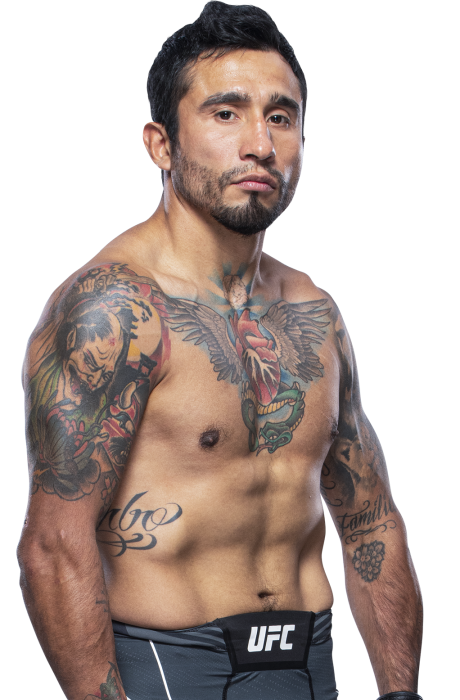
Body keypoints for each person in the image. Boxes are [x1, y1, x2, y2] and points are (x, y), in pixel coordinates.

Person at [18, 1, 424, 699]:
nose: (259, 144)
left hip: (310, 667)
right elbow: (54, 544)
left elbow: (370, 520)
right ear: (161, 144)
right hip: (169, 669)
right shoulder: (114, 309)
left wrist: (400, 692)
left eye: (281, 117)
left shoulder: (313, 313)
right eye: (226, 113)